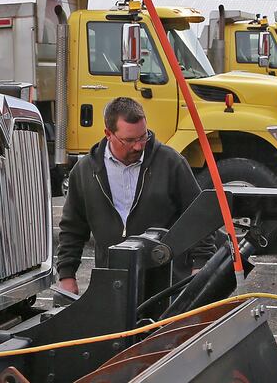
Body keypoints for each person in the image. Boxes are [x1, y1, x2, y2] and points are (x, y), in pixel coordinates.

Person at [56, 97, 215, 294]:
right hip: (113, 284)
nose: (139, 146)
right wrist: (67, 275)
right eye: (130, 140)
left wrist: (200, 264)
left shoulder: (171, 163)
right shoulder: (84, 171)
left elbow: (197, 217)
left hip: (166, 283)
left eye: (143, 137)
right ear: (108, 134)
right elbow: (72, 228)